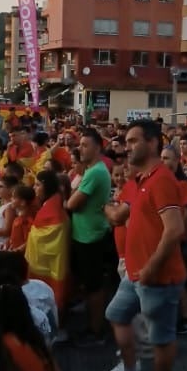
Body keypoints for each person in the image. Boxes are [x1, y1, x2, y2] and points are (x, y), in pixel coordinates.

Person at [105, 119, 187, 371]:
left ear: (152, 143)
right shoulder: (141, 180)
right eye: (126, 142)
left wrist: (151, 268)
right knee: (116, 314)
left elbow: (174, 230)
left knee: (161, 338)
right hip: (136, 272)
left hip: (157, 276)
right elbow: (121, 217)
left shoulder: (162, 179)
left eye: (133, 141)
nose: (127, 147)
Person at [67, 128, 117, 343]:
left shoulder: (96, 171)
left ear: (98, 147)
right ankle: (93, 325)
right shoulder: (91, 170)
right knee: (89, 283)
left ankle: (96, 330)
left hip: (91, 236)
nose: (81, 148)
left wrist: (66, 201)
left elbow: (72, 203)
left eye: (85, 145)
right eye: (80, 144)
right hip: (86, 233)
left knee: (94, 285)